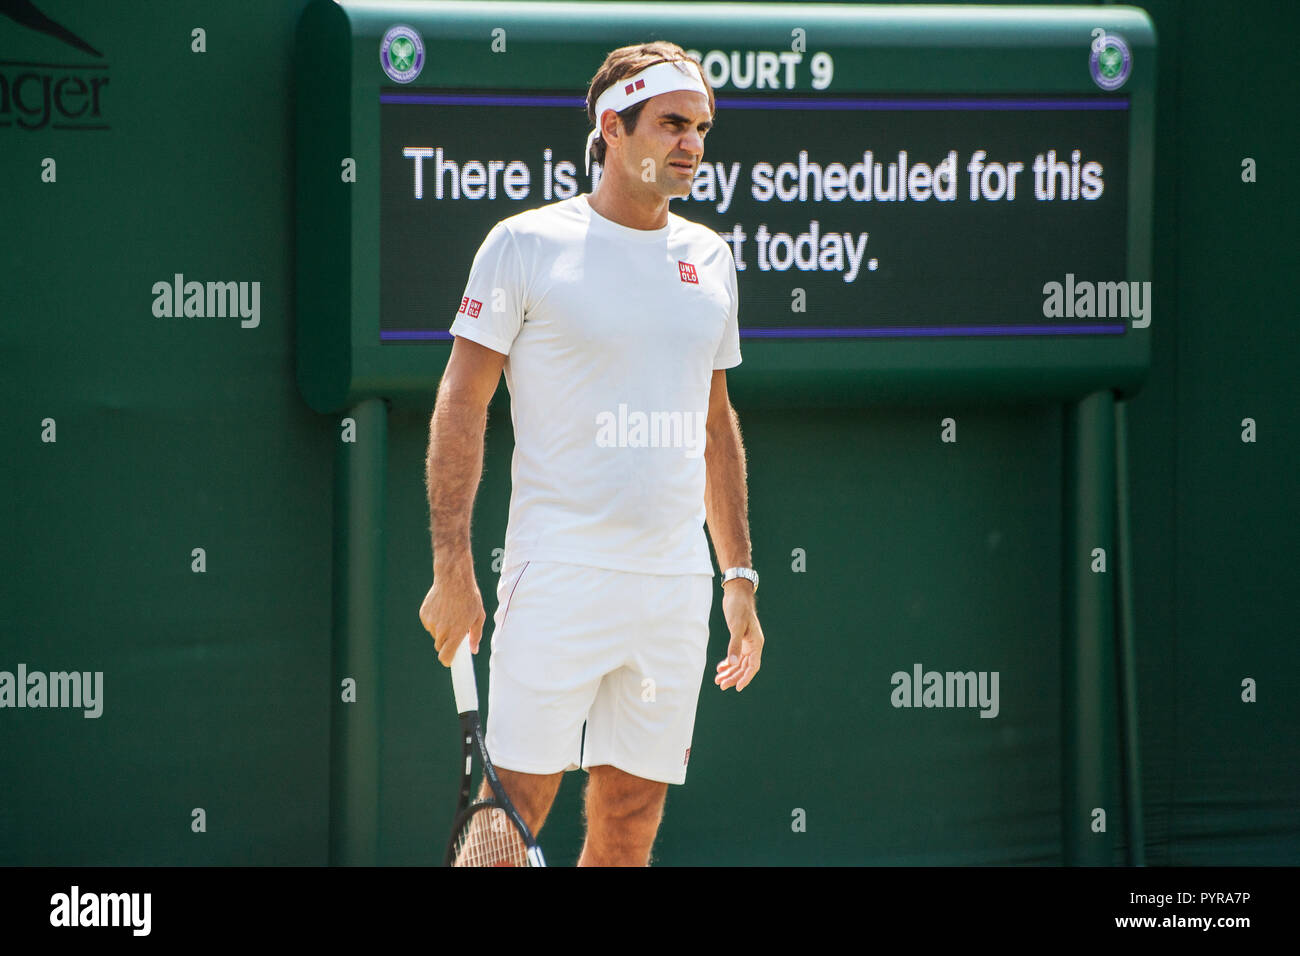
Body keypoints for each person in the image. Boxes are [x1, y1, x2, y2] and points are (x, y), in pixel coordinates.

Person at [419, 40, 765, 866]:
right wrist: (451, 566)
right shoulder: (525, 246)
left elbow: (714, 423)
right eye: (673, 124)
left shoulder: (710, 259)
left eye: (703, 128)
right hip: (558, 575)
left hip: (673, 588)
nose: (692, 145)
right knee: (510, 815)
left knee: (631, 817)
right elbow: (462, 403)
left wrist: (739, 575)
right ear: (613, 128)